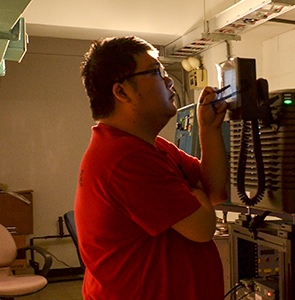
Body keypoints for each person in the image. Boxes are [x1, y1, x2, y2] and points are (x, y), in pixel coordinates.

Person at [75, 36, 229, 300]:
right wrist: (192, 189)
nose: (169, 80)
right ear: (122, 92)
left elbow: (215, 191)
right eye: (157, 72)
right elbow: (203, 227)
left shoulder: (153, 147)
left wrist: (208, 129)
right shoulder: (125, 157)